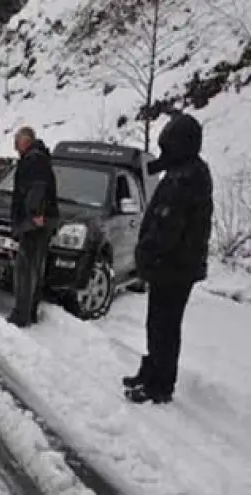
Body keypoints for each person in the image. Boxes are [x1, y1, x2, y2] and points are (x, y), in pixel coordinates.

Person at [123, 113, 212, 404]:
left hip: (174, 265)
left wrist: (146, 253)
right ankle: (152, 372)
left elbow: (167, 226)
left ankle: (160, 384)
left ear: (181, 146)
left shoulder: (186, 179)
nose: (165, 152)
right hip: (173, 264)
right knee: (158, 323)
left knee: (165, 326)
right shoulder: (185, 171)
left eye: (168, 146)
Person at [7, 127, 59, 327]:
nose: (14, 145)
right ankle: (31, 311)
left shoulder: (34, 160)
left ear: (25, 141)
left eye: (16, 141)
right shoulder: (39, 158)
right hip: (40, 221)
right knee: (35, 268)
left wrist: (35, 215)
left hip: (34, 223)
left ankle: (21, 315)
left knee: (25, 270)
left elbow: (37, 189)